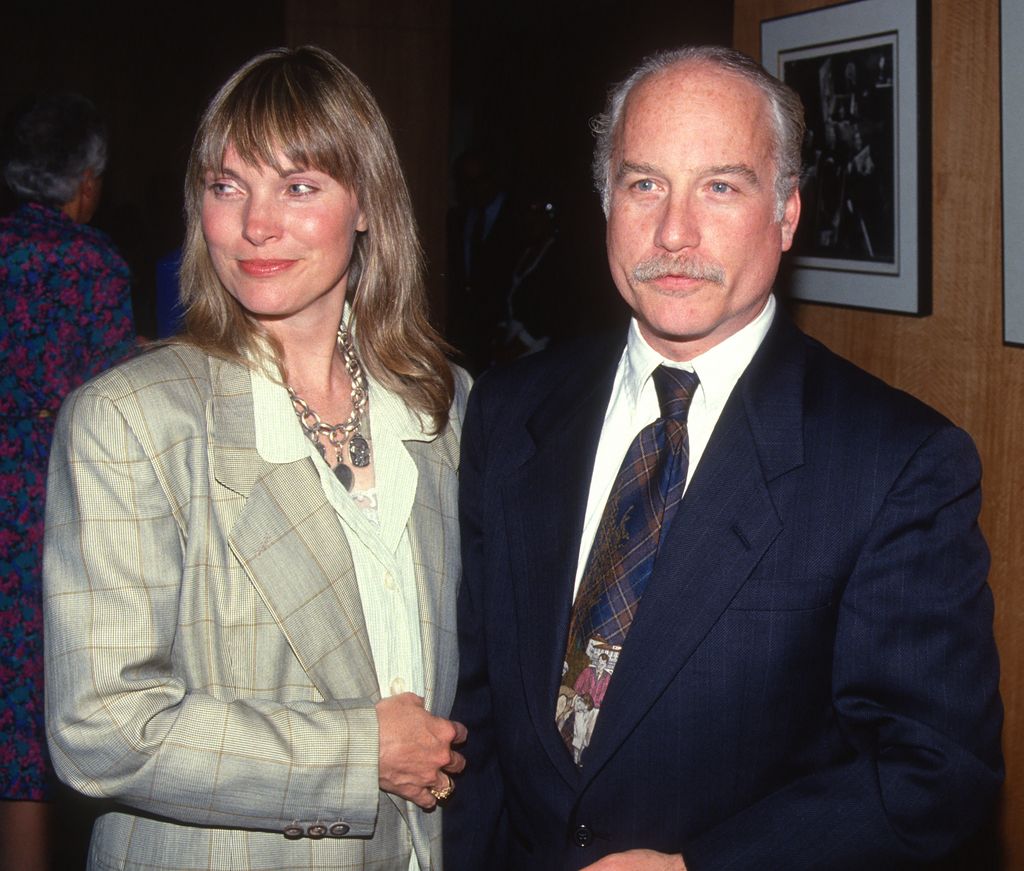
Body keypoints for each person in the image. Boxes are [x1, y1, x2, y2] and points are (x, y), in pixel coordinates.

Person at [445, 45, 1002, 870]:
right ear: (606, 205)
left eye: (721, 185)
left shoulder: (895, 464)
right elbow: (481, 711)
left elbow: (935, 772)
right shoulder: (510, 408)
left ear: (786, 216)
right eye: (644, 184)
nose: (675, 231)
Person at [44, 47, 469, 871]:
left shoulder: (443, 405)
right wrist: (355, 751)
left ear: (368, 205)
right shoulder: (130, 420)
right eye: (226, 186)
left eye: (299, 186)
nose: (255, 224)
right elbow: (100, 724)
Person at [0, 93, 136, 871]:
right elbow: (102, 395)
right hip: (46, 515)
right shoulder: (93, 265)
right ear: (86, 181)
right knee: (36, 722)